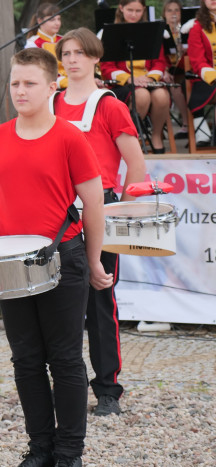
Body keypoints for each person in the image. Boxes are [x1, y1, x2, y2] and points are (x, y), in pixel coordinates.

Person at [0, 47, 112, 467]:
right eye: (15, 83)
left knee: (65, 359)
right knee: (25, 359)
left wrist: (94, 261)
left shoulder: (70, 137)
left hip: (63, 258)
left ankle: (69, 455)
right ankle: (39, 451)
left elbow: (93, 205)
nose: (20, 90)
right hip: (14, 264)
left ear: (51, 86)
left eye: (29, 83)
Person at [54, 28, 147, 416]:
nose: (73, 59)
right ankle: (64, 384)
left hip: (100, 209)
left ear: (95, 58)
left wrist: (119, 210)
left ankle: (108, 389)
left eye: (80, 53)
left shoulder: (109, 105)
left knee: (100, 299)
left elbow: (136, 164)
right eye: (67, 53)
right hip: (58, 212)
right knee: (56, 301)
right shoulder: (51, 102)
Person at [97, 0, 171, 153]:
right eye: (130, 10)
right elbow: (107, 67)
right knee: (142, 95)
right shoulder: (111, 32)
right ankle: (131, 138)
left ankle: (156, 136)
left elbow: (160, 62)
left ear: (143, 10)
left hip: (147, 80)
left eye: (138, 11)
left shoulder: (151, 32)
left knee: (161, 96)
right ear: (121, 8)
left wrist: (150, 78)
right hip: (122, 84)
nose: (134, 14)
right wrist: (129, 79)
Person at [184, 0, 216, 144]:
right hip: (206, 78)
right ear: (203, 1)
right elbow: (197, 60)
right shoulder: (196, 27)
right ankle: (204, 135)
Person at [161, 0, 191, 139]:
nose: (173, 13)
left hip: (185, 67)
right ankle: (186, 124)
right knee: (175, 86)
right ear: (164, 14)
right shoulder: (161, 32)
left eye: (176, 10)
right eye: (169, 10)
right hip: (168, 68)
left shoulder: (186, 29)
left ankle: (193, 124)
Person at [25, 2, 67, 87]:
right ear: (40, 20)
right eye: (52, 20)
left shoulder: (65, 40)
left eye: (58, 19)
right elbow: (36, 72)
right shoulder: (32, 43)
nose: (57, 23)